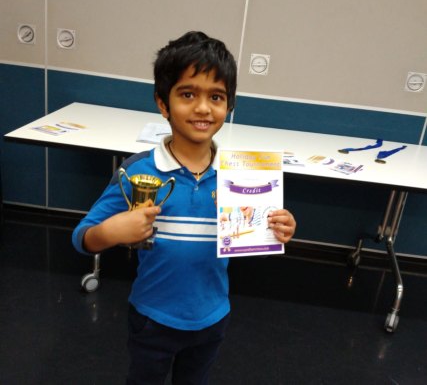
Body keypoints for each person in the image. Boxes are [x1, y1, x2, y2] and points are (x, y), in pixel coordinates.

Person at [72, 31, 296, 385]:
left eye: (216, 96)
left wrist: (278, 228)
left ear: (230, 105)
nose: (203, 108)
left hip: (212, 316)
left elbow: (254, 242)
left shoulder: (240, 175)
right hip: (152, 317)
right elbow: (81, 236)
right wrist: (111, 232)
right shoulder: (138, 171)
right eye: (188, 94)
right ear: (163, 103)